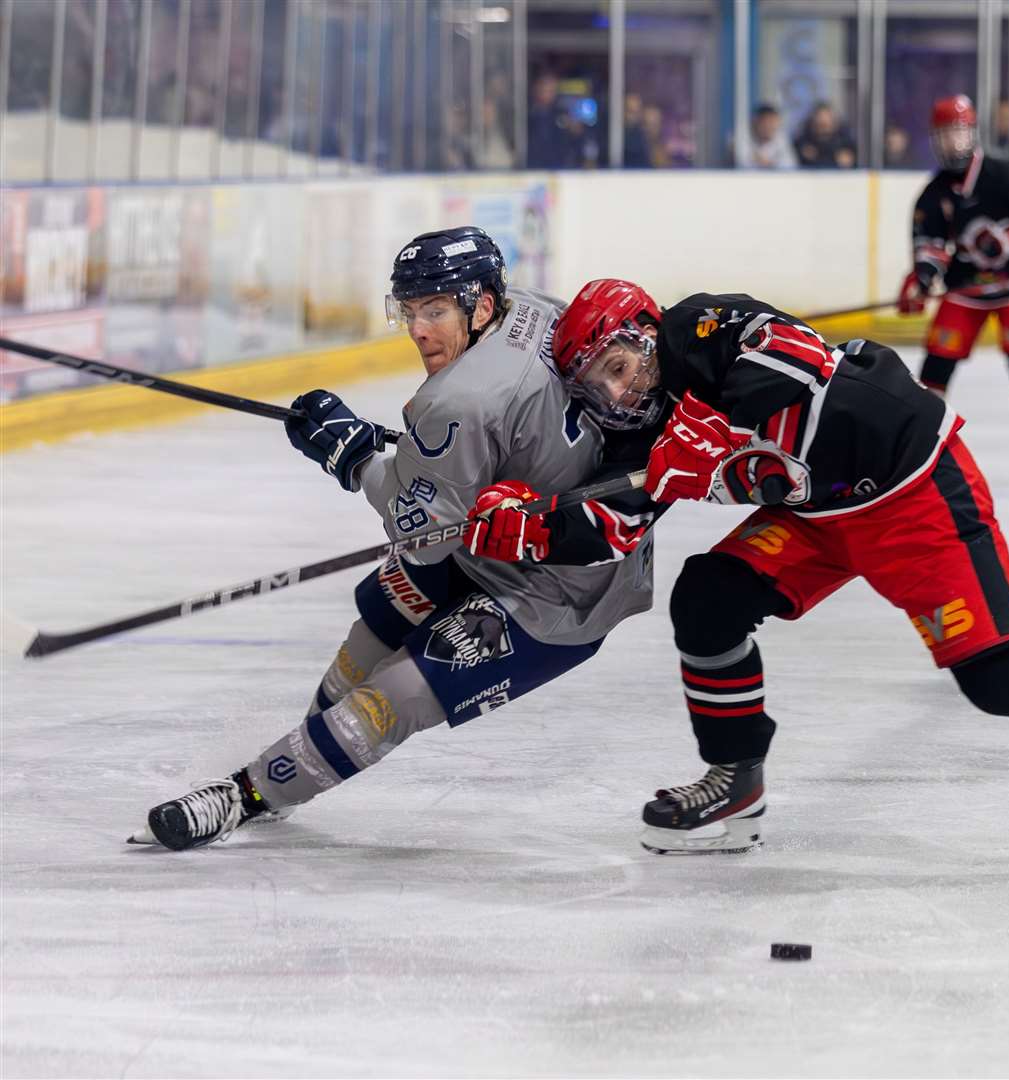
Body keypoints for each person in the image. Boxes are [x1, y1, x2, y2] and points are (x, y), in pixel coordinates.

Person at [466, 279, 1009, 855]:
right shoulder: (645, 437)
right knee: (706, 598)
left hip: (909, 488)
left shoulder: (697, 325)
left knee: (998, 677)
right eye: (601, 382)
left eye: (620, 360)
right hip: (815, 521)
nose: (624, 386)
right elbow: (614, 526)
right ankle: (736, 783)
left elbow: (806, 367)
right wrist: (532, 531)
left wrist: (719, 421)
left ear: (642, 330)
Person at [130, 228, 656, 850]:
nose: (419, 330)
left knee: (399, 692)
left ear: (481, 305)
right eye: (409, 312)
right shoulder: (539, 309)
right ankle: (299, 757)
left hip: (558, 597)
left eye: (435, 310)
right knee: (380, 618)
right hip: (523, 538)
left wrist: (353, 461)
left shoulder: (455, 400)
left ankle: (247, 795)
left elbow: (427, 537)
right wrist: (433, 460)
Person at [898, 94, 1009, 478]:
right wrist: (923, 277)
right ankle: (922, 436)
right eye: (944, 135)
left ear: (972, 133)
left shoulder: (1006, 175)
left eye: (959, 132)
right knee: (939, 356)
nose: (953, 142)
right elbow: (931, 246)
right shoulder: (934, 194)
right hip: (967, 289)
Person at [794, 103, 857, 169]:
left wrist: (849, 159)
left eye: (826, 124)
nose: (823, 122)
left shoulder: (845, 142)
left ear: (834, 122)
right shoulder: (803, 142)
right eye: (820, 123)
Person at [737, 104, 798, 169]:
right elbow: (742, 164)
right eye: (767, 123)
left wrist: (769, 163)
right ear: (757, 122)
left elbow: (790, 165)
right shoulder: (743, 137)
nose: (770, 127)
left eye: (773, 123)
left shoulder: (781, 138)